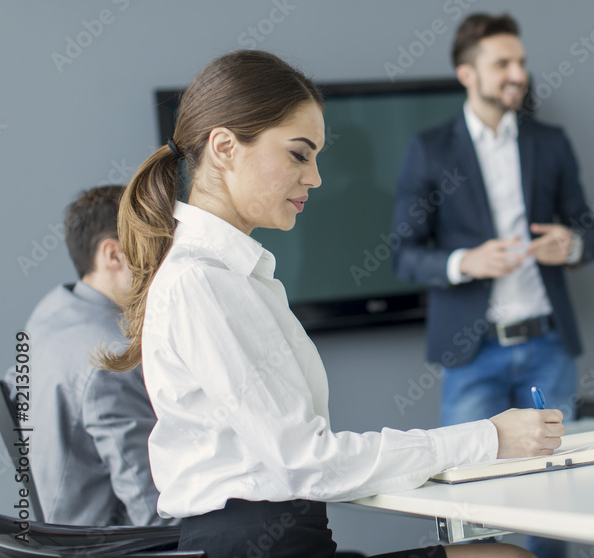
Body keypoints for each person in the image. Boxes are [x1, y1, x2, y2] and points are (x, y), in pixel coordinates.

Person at [96, 49, 560, 558]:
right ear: (225, 147)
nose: (314, 177)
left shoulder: (226, 276)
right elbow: (307, 460)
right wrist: (488, 437)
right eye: (299, 154)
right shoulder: (203, 283)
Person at [391, 13, 594, 427]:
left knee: (559, 470)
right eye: (502, 64)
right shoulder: (430, 150)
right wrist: (463, 262)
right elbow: (404, 255)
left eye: (520, 63)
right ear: (466, 73)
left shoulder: (550, 142)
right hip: (472, 352)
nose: (518, 75)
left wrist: (571, 245)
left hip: (549, 346)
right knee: (473, 477)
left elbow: (590, 232)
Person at [4, 185, 171, 526]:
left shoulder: (52, 312)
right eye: (159, 245)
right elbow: (154, 514)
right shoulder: (112, 359)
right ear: (113, 254)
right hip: (106, 545)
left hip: (54, 529)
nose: (167, 262)